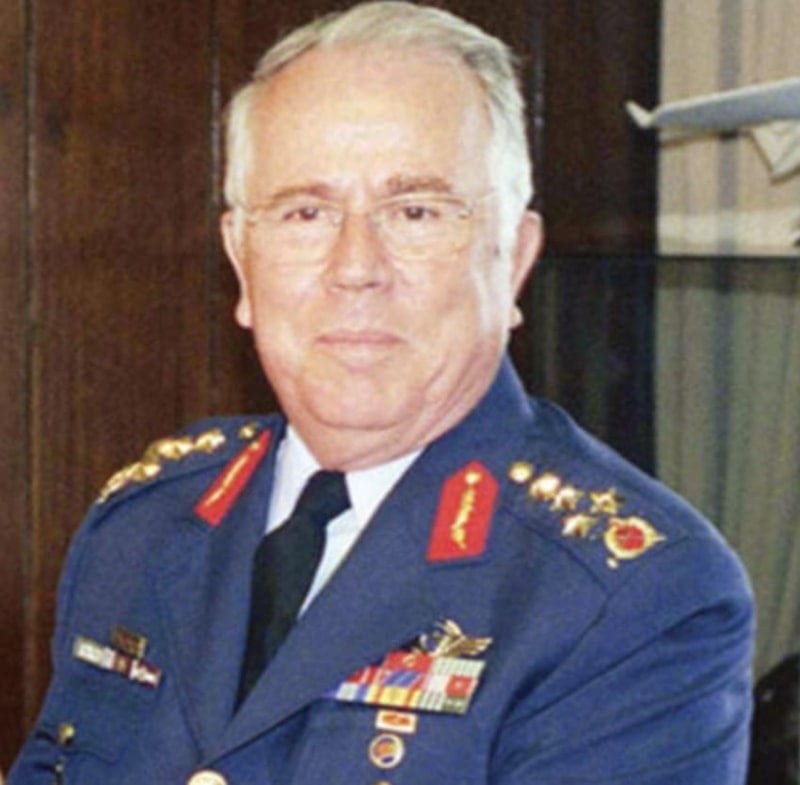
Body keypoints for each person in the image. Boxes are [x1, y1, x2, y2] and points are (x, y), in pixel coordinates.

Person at [9, 2, 754, 783]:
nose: (356, 266)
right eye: (305, 212)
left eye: (415, 211)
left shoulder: (629, 596)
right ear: (241, 260)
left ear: (513, 258)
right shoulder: (144, 526)